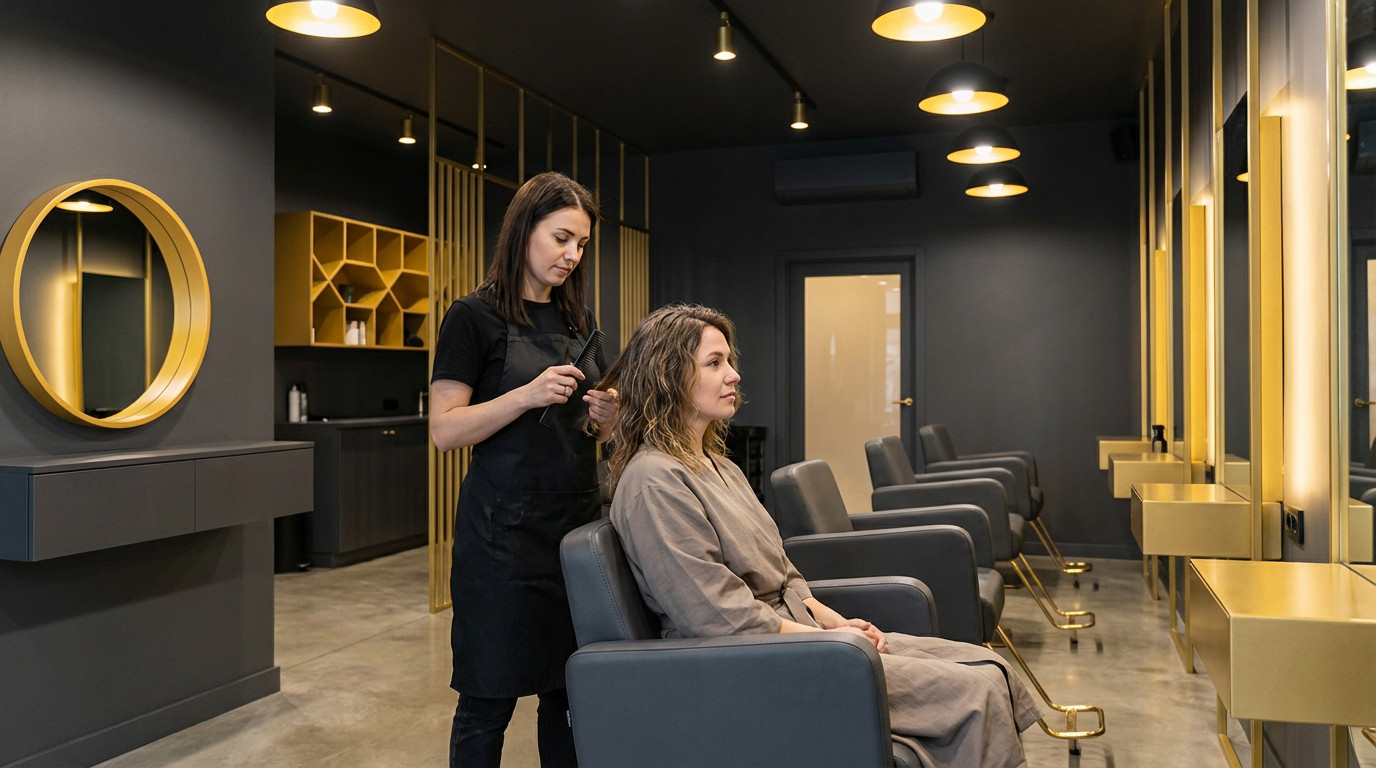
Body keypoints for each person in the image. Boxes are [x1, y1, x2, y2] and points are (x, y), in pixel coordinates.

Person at [599, 303, 1042, 768]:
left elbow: (785, 574)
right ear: (668, 377)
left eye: (730, 361)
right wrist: (835, 646)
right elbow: (717, 618)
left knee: (988, 666)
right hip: (748, 665)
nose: (733, 376)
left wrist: (838, 624)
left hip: (797, 638)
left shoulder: (720, 466)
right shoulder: (654, 482)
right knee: (976, 692)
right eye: (714, 363)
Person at [430, 171, 618, 768]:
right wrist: (525, 395)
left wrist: (607, 416)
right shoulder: (472, 317)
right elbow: (445, 429)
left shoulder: (578, 322)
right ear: (523, 230)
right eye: (562, 238)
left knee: (567, 694)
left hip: (573, 532)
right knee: (488, 699)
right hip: (500, 539)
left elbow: (597, 430)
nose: (572, 255)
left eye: (582, 245)